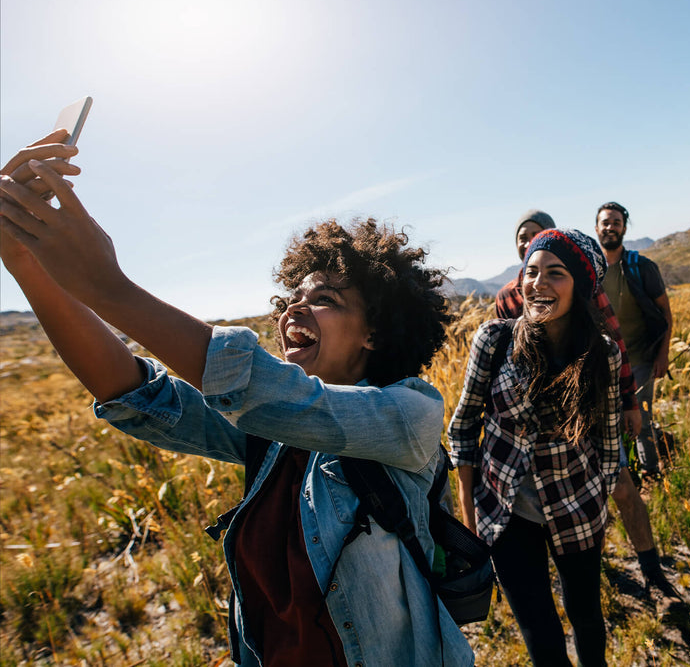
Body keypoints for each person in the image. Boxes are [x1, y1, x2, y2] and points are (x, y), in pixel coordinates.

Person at [0, 131, 474, 667]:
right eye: (291, 298)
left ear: (376, 332)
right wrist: (25, 264)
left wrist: (108, 286)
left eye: (325, 300)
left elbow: (257, 386)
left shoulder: (408, 415)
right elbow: (138, 393)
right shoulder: (270, 435)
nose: (294, 311)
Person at [448, 229, 620, 667]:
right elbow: (464, 428)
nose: (538, 283)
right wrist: (471, 520)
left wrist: (598, 494)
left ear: (580, 286)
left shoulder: (602, 353)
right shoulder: (494, 340)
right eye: (532, 271)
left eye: (555, 273)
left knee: (586, 618)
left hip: (577, 508)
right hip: (505, 515)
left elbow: (610, 439)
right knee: (541, 636)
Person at [496, 209, 678, 597]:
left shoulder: (580, 287)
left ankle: (652, 570)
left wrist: (629, 400)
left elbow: (616, 344)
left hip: (593, 407)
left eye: (536, 234)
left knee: (623, 486)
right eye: (521, 238)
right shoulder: (508, 299)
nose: (528, 242)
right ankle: (591, 574)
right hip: (545, 431)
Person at [595, 202, 673, 479]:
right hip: (604, 363)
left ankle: (651, 473)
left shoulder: (641, 267)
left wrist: (662, 355)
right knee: (610, 422)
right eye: (605, 222)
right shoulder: (591, 272)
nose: (610, 227)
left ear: (624, 228)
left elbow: (665, 313)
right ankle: (623, 476)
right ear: (597, 228)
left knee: (642, 419)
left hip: (640, 358)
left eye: (616, 222)